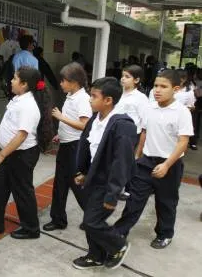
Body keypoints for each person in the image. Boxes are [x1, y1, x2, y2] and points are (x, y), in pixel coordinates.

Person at [114, 69, 193, 249]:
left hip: (170, 165)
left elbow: (183, 142)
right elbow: (144, 132)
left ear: (176, 89)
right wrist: (137, 156)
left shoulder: (182, 112)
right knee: (134, 199)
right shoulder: (149, 108)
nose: (157, 90)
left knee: (166, 202)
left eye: (163, 87)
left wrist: (166, 165)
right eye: (156, 85)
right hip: (146, 162)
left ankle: (165, 234)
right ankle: (120, 231)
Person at [0, 67, 52, 240]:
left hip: (22, 154)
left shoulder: (28, 105)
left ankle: (31, 229)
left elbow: (21, 135)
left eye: (14, 78)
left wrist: (1, 154)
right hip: (14, 154)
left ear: (24, 84)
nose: (11, 81)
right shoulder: (19, 99)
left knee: (22, 192)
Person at [72, 77, 136, 270]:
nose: (90, 100)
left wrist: (113, 194)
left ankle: (119, 245)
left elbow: (121, 163)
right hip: (94, 180)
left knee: (92, 222)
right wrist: (84, 172)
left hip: (107, 184)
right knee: (90, 220)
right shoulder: (96, 118)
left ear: (108, 100)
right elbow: (91, 151)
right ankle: (96, 255)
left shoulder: (122, 125)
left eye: (93, 96)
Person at [42, 62, 91, 232]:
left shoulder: (83, 99)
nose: (61, 84)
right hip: (66, 144)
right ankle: (58, 220)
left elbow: (84, 125)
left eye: (63, 81)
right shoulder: (71, 96)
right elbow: (72, 123)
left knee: (76, 185)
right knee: (60, 184)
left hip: (75, 148)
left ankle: (93, 218)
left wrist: (61, 118)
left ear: (75, 81)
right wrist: (59, 134)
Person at [116, 65, 149, 200]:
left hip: (130, 135)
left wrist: (139, 148)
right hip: (115, 131)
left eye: (127, 77)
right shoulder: (118, 93)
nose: (123, 79)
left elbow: (144, 123)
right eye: (122, 76)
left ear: (136, 80)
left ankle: (122, 189)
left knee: (125, 162)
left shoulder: (140, 98)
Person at [174, 69, 197, 150]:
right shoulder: (169, 87)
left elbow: (192, 107)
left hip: (180, 120)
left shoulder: (188, 92)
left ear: (183, 79)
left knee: (178, 142)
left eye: (177, 77)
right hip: (167, 117)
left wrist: (183, 109)